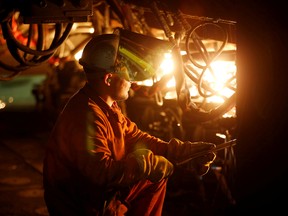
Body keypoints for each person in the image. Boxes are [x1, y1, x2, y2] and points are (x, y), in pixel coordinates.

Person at [43, 33, 216, 216]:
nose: (132, 81)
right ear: (109, 79)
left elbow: (135, 137)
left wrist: (182, 152)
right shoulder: (86, 116)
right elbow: (100, 174)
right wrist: (145, 165)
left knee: (154, 179)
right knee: (151, 176)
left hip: (91, 195)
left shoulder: (104, 105)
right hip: (81, 206)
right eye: (128, 74)